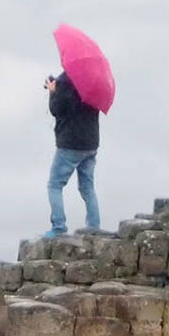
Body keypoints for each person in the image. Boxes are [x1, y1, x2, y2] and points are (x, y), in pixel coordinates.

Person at [45, 71, 100, 236]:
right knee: (87, 187)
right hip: (91, 143)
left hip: (70, 144)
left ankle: (58, 227)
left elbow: (56, 109)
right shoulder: (94, 83)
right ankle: (93, 226)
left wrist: (53, 91)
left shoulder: (66, 81)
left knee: (54, 185)